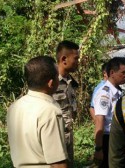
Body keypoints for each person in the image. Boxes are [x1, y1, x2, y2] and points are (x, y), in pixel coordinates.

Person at [7, 56, 68, 168]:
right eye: (57, 77)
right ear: (51, 83)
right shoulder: (50, 111)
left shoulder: (14, 107)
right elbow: (58, 163)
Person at [94, 57, 125, 168]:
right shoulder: (105, 93)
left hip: (115, 137)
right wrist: (98, 148)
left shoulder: (116, 91)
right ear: (112, 73)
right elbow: (99, 120)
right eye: (123, 72)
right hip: (107, 139)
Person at [53, 40, 79, 168]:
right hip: (54, 139)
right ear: (64, 59)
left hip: (68, 136)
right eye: (76, 59)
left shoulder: (70, 81)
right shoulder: (50, 82)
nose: (78, 62)